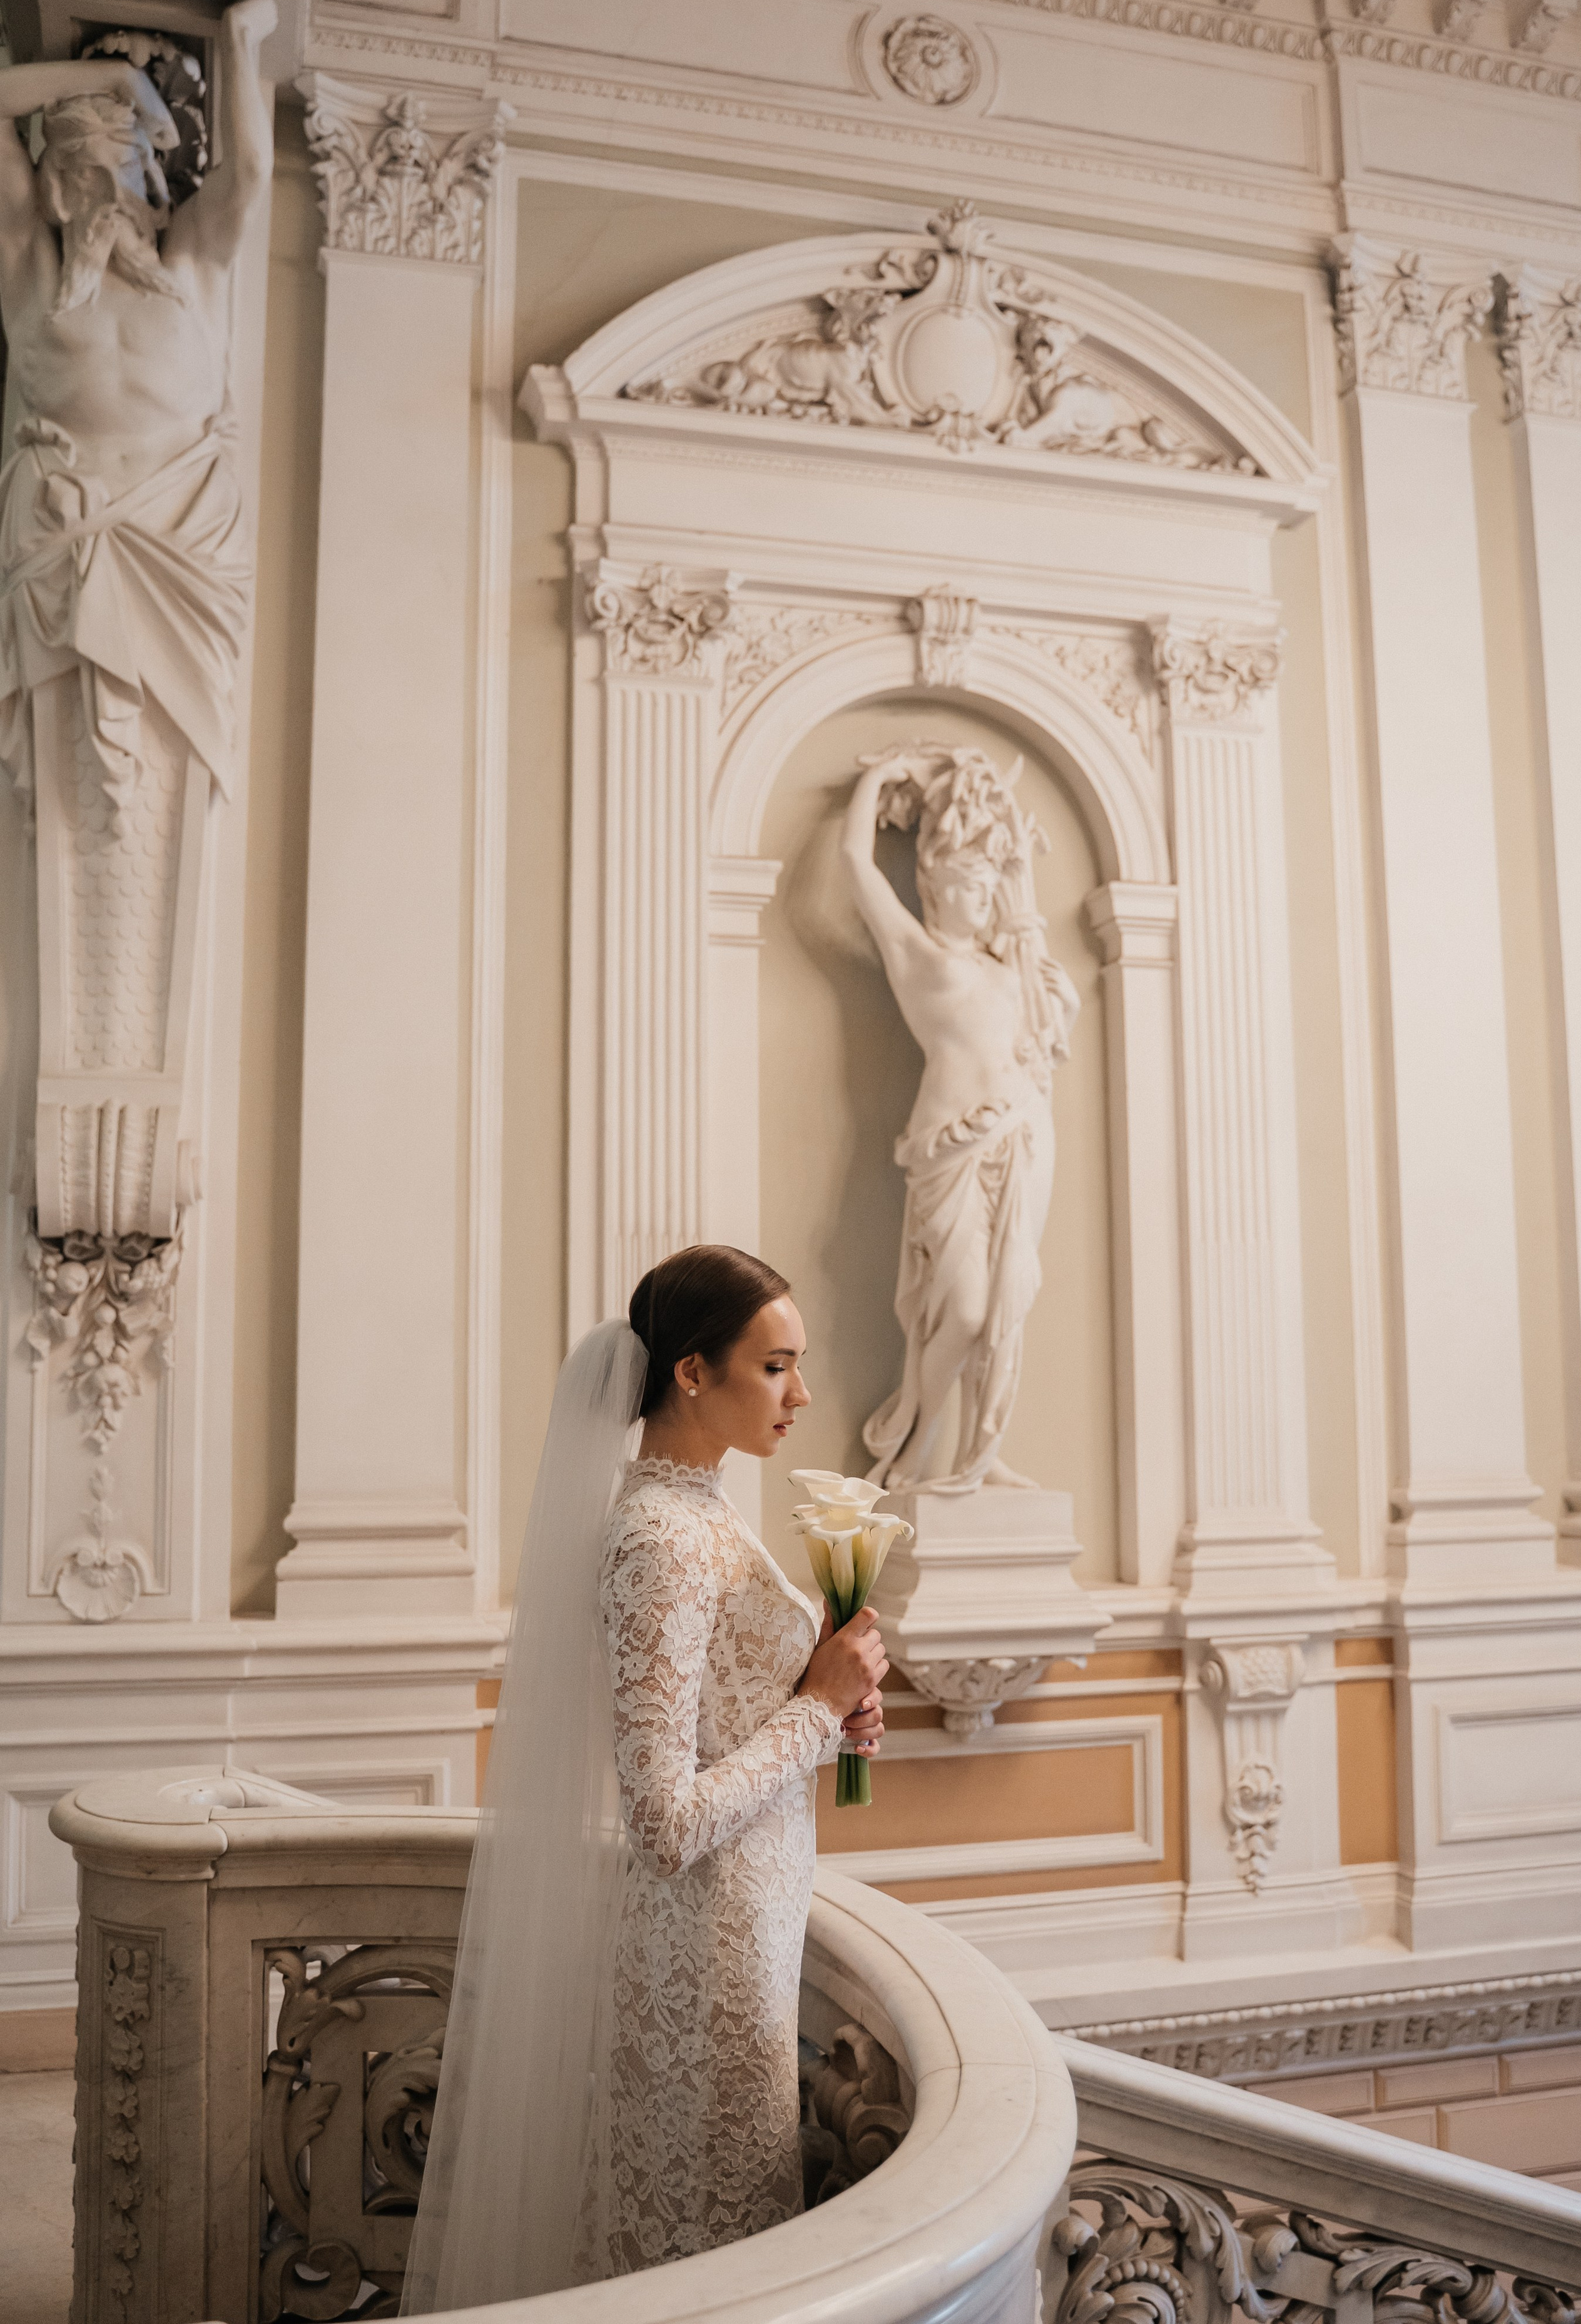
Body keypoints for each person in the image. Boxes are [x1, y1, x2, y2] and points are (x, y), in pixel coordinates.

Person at [401, 1246, 888, 2310]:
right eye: (776, 1368)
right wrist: (814, 1708)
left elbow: (730, 1720)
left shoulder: (704, 1510)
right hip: (705, 1954)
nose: (801, 1395)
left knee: (729, 2240)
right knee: (710, 2254)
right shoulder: (662, 1539)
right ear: (692, 1373)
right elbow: (665, 1817)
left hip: (747, 1932)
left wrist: (832, 1707)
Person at [0, 0, 277, 822]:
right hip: (63, 547)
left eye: (116, 168)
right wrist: (112, 77)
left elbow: (255, 175)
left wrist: (240, 49)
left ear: (155, 187)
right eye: (76, 173)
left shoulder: (192, 264)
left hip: (183, 550)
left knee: (171, 791)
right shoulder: (32, 277)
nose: (97, 193)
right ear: (51, 194)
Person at [841, 743, 1080, 1493]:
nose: (984, 902)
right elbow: (856, 863)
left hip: (1023, 1133)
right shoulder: (914, 952)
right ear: (934, 888)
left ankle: (981, 1453)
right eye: (968, 889)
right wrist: (881, 776)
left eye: (989, 889)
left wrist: (1000, 820)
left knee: (1007, 1300)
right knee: (966, 1308)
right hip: (951, 1149)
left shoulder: (1008, 965)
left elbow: (1023, 899)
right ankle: (915, 1442)